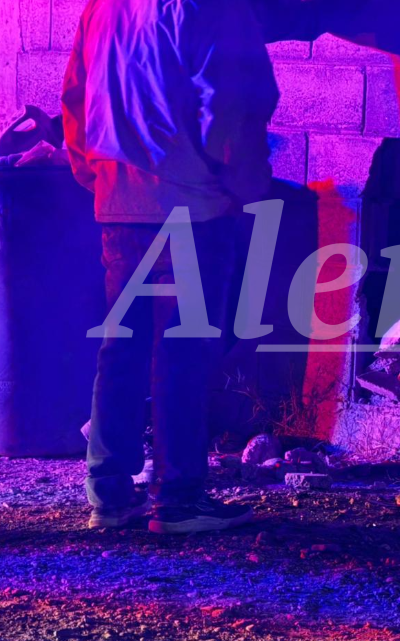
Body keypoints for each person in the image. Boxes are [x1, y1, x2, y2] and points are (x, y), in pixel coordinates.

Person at [62, 0, 279, 533]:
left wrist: (98, 177)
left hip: (120, 202)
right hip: (193, 205)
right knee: (182, 353)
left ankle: (109, 494)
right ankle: (178, 499)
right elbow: (230, 106)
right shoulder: (208, 6)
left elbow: (75, 99)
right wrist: (244, 185)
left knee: (121, 348)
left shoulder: (102, 7)